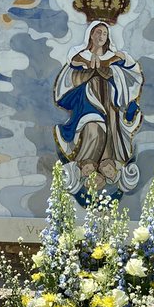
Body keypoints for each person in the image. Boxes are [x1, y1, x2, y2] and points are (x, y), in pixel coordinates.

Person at [53, 20, 144, 192]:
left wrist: (112, 68)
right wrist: (87, 70)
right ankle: (85, 164)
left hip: (109, 104)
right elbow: (68, 81)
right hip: (88, 103)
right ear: (90, 35)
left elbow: (132, 73)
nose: (101, 36)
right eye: (97, 32)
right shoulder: (80, 57)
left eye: (104, 33)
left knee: (109, 132)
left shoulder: (114, 57)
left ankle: (104, 165)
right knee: (94, 129)